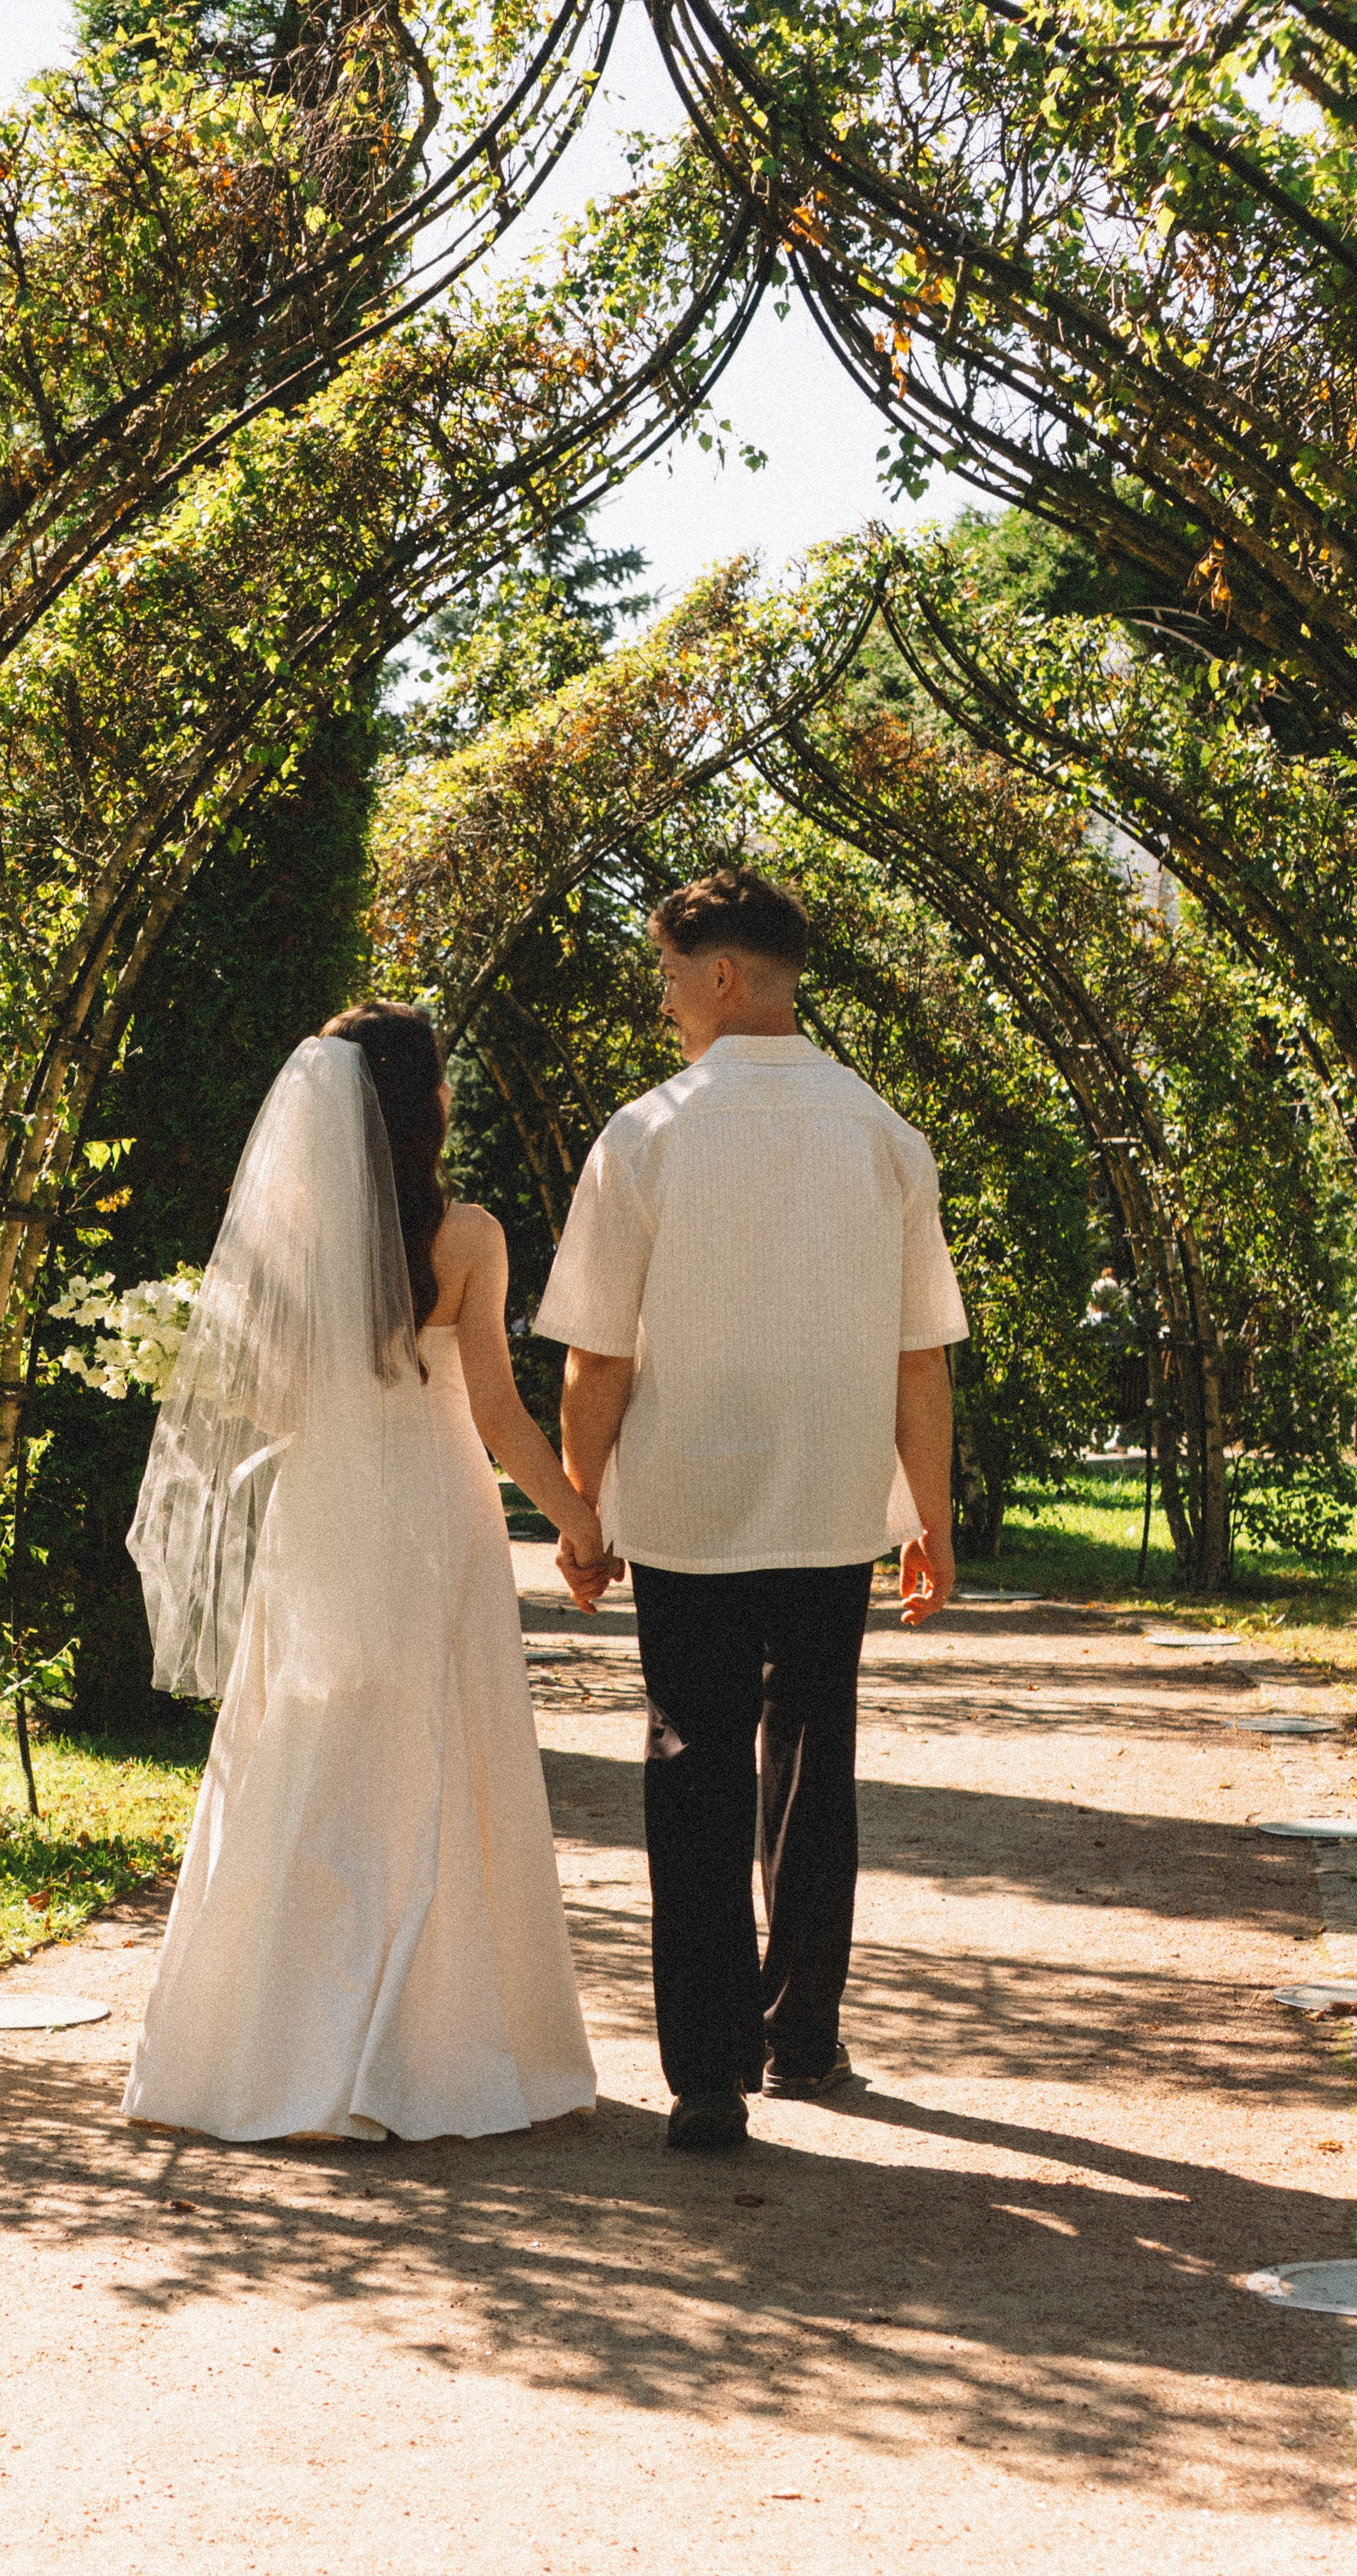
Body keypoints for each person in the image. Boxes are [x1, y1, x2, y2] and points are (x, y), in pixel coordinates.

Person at [538, 867, 967, 2153]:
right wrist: (929, 1524)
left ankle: (707, 2074)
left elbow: (596, 1358)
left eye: (672, 980)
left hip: (687, 1501)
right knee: (810, 1766)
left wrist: (581, 1509)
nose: (666, 1006)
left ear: (723, 975)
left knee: (690, 1765)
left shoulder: (649, 1134)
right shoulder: (886, 1134)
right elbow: (919, 1361)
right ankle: (805, 2037)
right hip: (835, 1503)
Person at [121, 1002, 600, 2143]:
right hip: (436, 1504)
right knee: (439, 1751)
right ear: (426, 1104)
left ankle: (263, 2047)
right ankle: (424, 2045)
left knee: (303, 1749)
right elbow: (495, 1411)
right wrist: (581, 1523)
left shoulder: (291, 1228)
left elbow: (268, 1400)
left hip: (324, 1501)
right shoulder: (468, 1236)